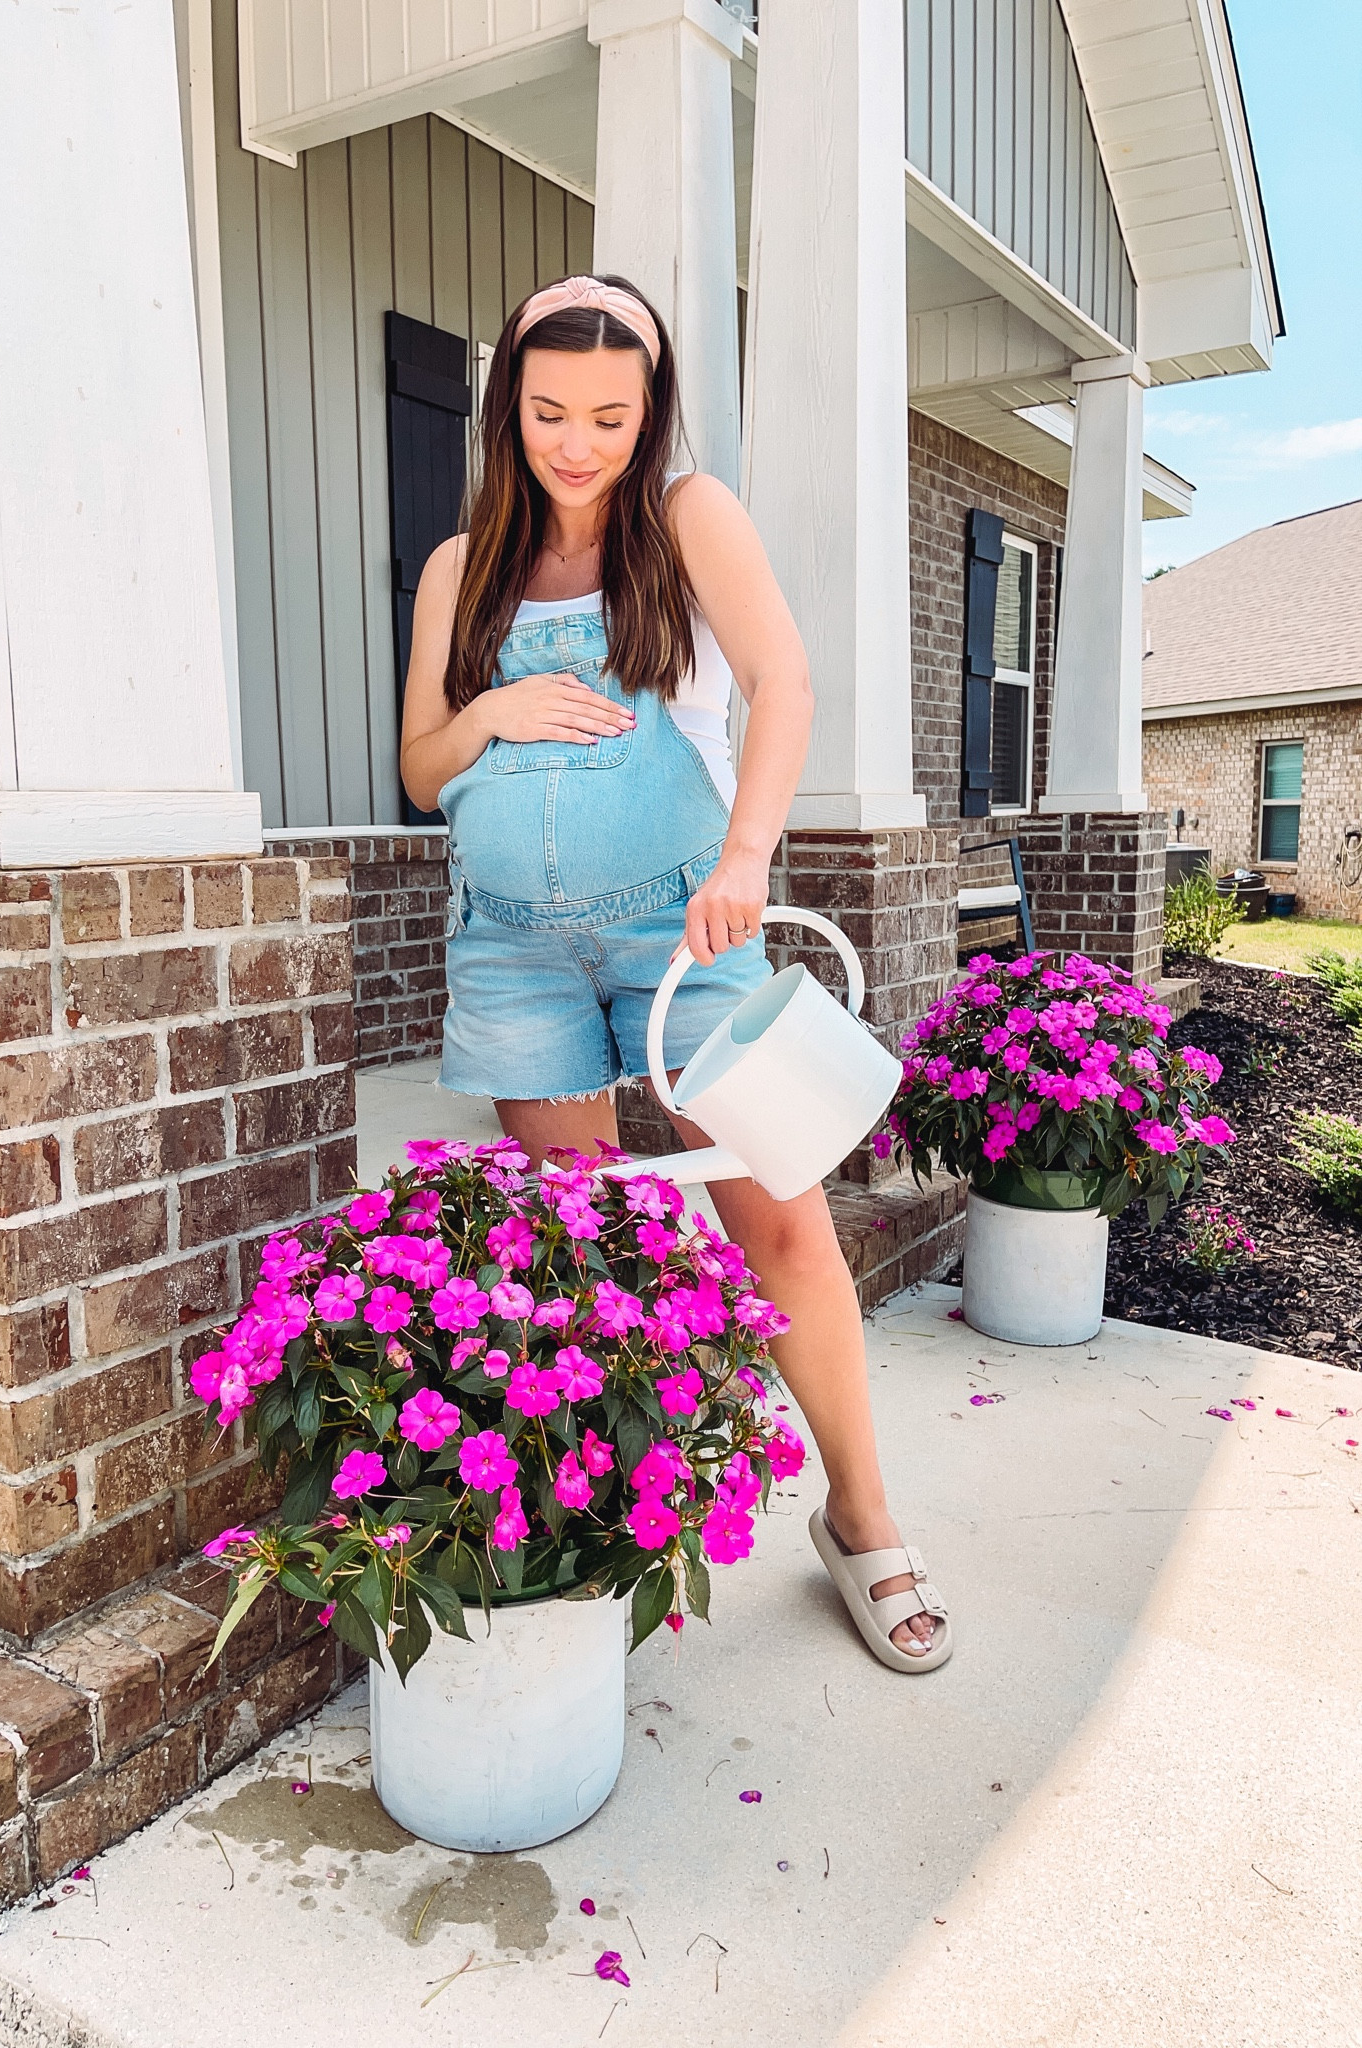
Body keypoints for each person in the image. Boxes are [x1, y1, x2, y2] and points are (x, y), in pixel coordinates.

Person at [400, 274, 950, 1672]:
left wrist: (749, 855)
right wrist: (494, 714)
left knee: (779, 1224)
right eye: (546, 413)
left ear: (648, 414)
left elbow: (789, 683)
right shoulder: (458, 569)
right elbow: (417, 770)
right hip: (512, 948)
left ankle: (866, 1519)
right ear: (505, 407)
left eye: (607, 416)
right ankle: (611, 1525)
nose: (574, 443)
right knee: (586, 1251)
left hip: (680, 931)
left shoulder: (687, 519)